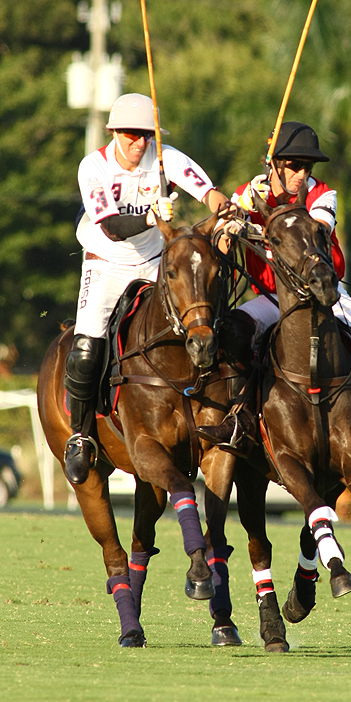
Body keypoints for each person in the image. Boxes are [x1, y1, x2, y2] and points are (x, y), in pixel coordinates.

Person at [198, 121, 351, 491]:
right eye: (295, 165)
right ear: (273, 164)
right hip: (273, 301)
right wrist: (229, 224)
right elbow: (218, 244)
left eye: (308, 167)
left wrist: (257, 220)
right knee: (232, 331)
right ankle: (240, 420)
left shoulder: (322, 195)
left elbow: (311, 232)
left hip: (328, 300)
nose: (303, 174)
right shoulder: (245, 195)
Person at [63, 93, 230, 485]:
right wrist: (152, 217)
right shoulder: (94, 167)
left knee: (203, 322)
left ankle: (219, 415)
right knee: (86, 349)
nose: (139, 143)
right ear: (114, 133)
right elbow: (111, 227)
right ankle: (80, 434)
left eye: (145, 135)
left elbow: (207, 191)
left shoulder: (164, 156)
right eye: (131, 135)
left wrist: (224, 209)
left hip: (154, 265)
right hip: (105, 263)